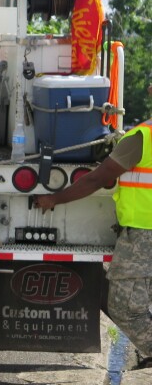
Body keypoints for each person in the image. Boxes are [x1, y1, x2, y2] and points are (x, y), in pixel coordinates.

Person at [34, 81, 152, 360]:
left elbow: (100, 178)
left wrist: (54, 199)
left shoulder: (142, 137)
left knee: (125, 308)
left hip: (144, 236)